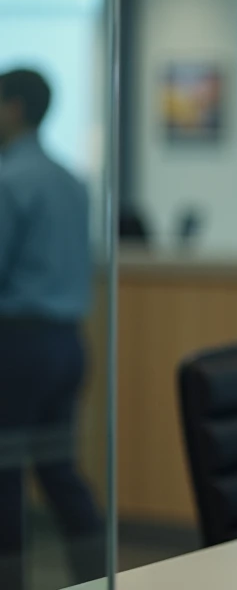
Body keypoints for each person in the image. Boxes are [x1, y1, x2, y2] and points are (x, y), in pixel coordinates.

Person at [0, 68, 104, 589]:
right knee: (58, 468)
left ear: (14, 108)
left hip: (18, 342)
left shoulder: (8, 180)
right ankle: (96, 574)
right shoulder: (70, 180)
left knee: (5, 473)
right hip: (67, 343)